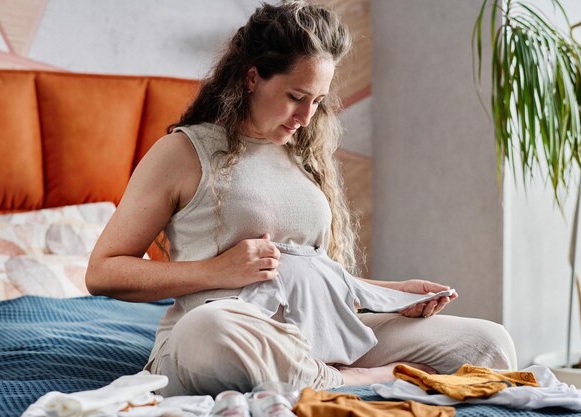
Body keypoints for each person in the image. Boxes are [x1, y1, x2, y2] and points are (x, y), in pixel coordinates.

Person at [86, 0, 516, 397]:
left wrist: (393, 294)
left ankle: (330, 376)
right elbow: (103, 272)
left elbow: (305, 276)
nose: (307, 117)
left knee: (488, 343)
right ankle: (349, 380)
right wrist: (215, 270)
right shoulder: (184, 152)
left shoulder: (303, 156)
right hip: (225, 331)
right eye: (296, 97)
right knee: (212, 328)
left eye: (318, 101)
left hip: (317, 337)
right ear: (252, 76)